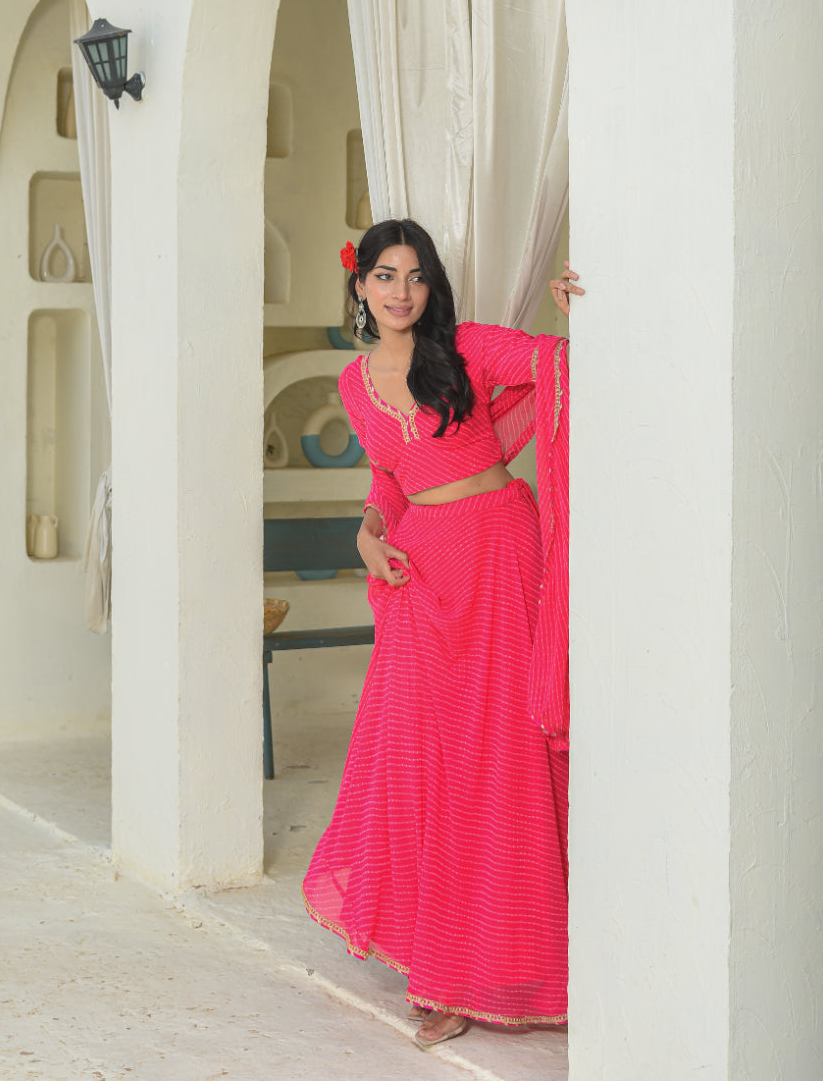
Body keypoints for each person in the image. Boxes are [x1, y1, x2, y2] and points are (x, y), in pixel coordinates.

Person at [302, 219, 583, 1050]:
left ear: (431, 288)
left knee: (496, 753)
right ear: (360, 287)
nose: (400, 291)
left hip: (495, 550)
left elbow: (549, 363)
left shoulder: (460, 348)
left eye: (415, 277)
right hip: (421, 569)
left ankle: (490, 963)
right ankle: (440, 962)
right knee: (425, 756)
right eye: (385, 275)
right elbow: (388, 476)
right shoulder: (356, 383)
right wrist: (367, 529)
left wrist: (575, 316)